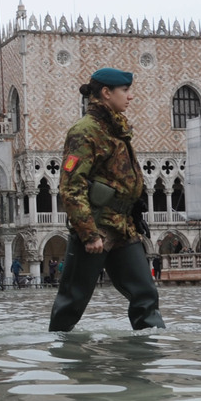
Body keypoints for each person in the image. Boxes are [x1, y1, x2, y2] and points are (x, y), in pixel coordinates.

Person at [49, 67, 165, 332]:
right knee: (73, 300)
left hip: (124, 227)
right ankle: (61, 353)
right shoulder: (84, 131)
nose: (130, 96)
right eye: (125, 91)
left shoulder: (117, 129)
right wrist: (88, 234)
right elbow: (71, 186)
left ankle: (148, 353)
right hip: (97, 227)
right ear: (105, 93)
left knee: (145, 293)